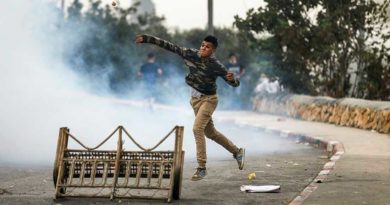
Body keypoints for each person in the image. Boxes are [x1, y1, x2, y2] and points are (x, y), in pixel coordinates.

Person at [135, 34, 245, 181]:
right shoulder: (191, 53)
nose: (203, 48)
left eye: (207, 47)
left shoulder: (216, 65)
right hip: (195, 100)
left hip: (209, 99)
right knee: (210, 133)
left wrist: (233, 80)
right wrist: (148, 39)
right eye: (202, 45)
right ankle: (237, 152)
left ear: (213, 50)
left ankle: (201, 167)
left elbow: (234, 83)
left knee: (197, 128)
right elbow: (170, 46)